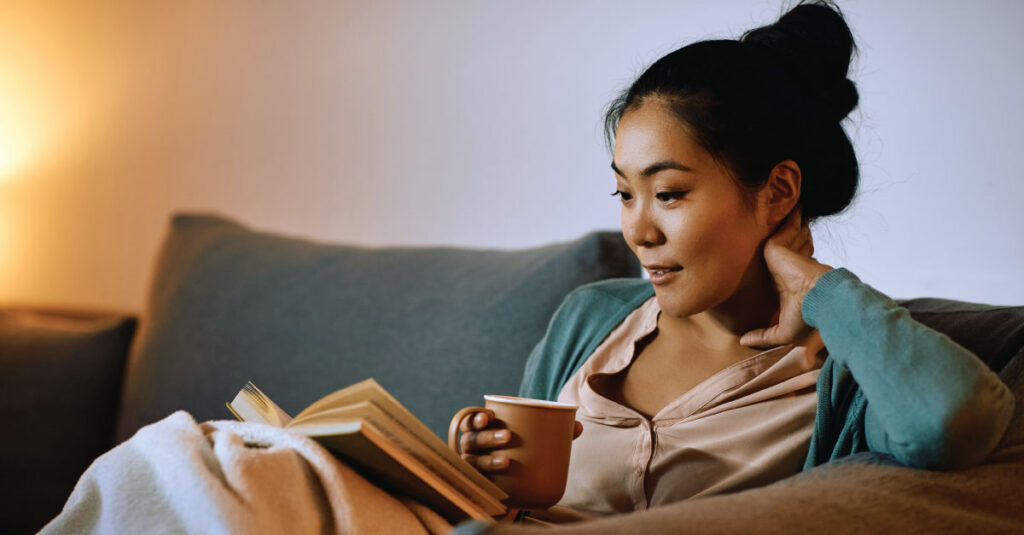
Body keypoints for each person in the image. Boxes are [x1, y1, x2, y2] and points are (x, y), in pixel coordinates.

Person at [451, 0, 1015, 529]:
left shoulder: (840, 371)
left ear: (779, 191)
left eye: (669, 194)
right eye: (625, 194)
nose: (639, 232)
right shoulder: (589, 319)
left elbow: (952, 424)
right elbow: (508, 503)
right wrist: (475, 465)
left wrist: (824, 292)